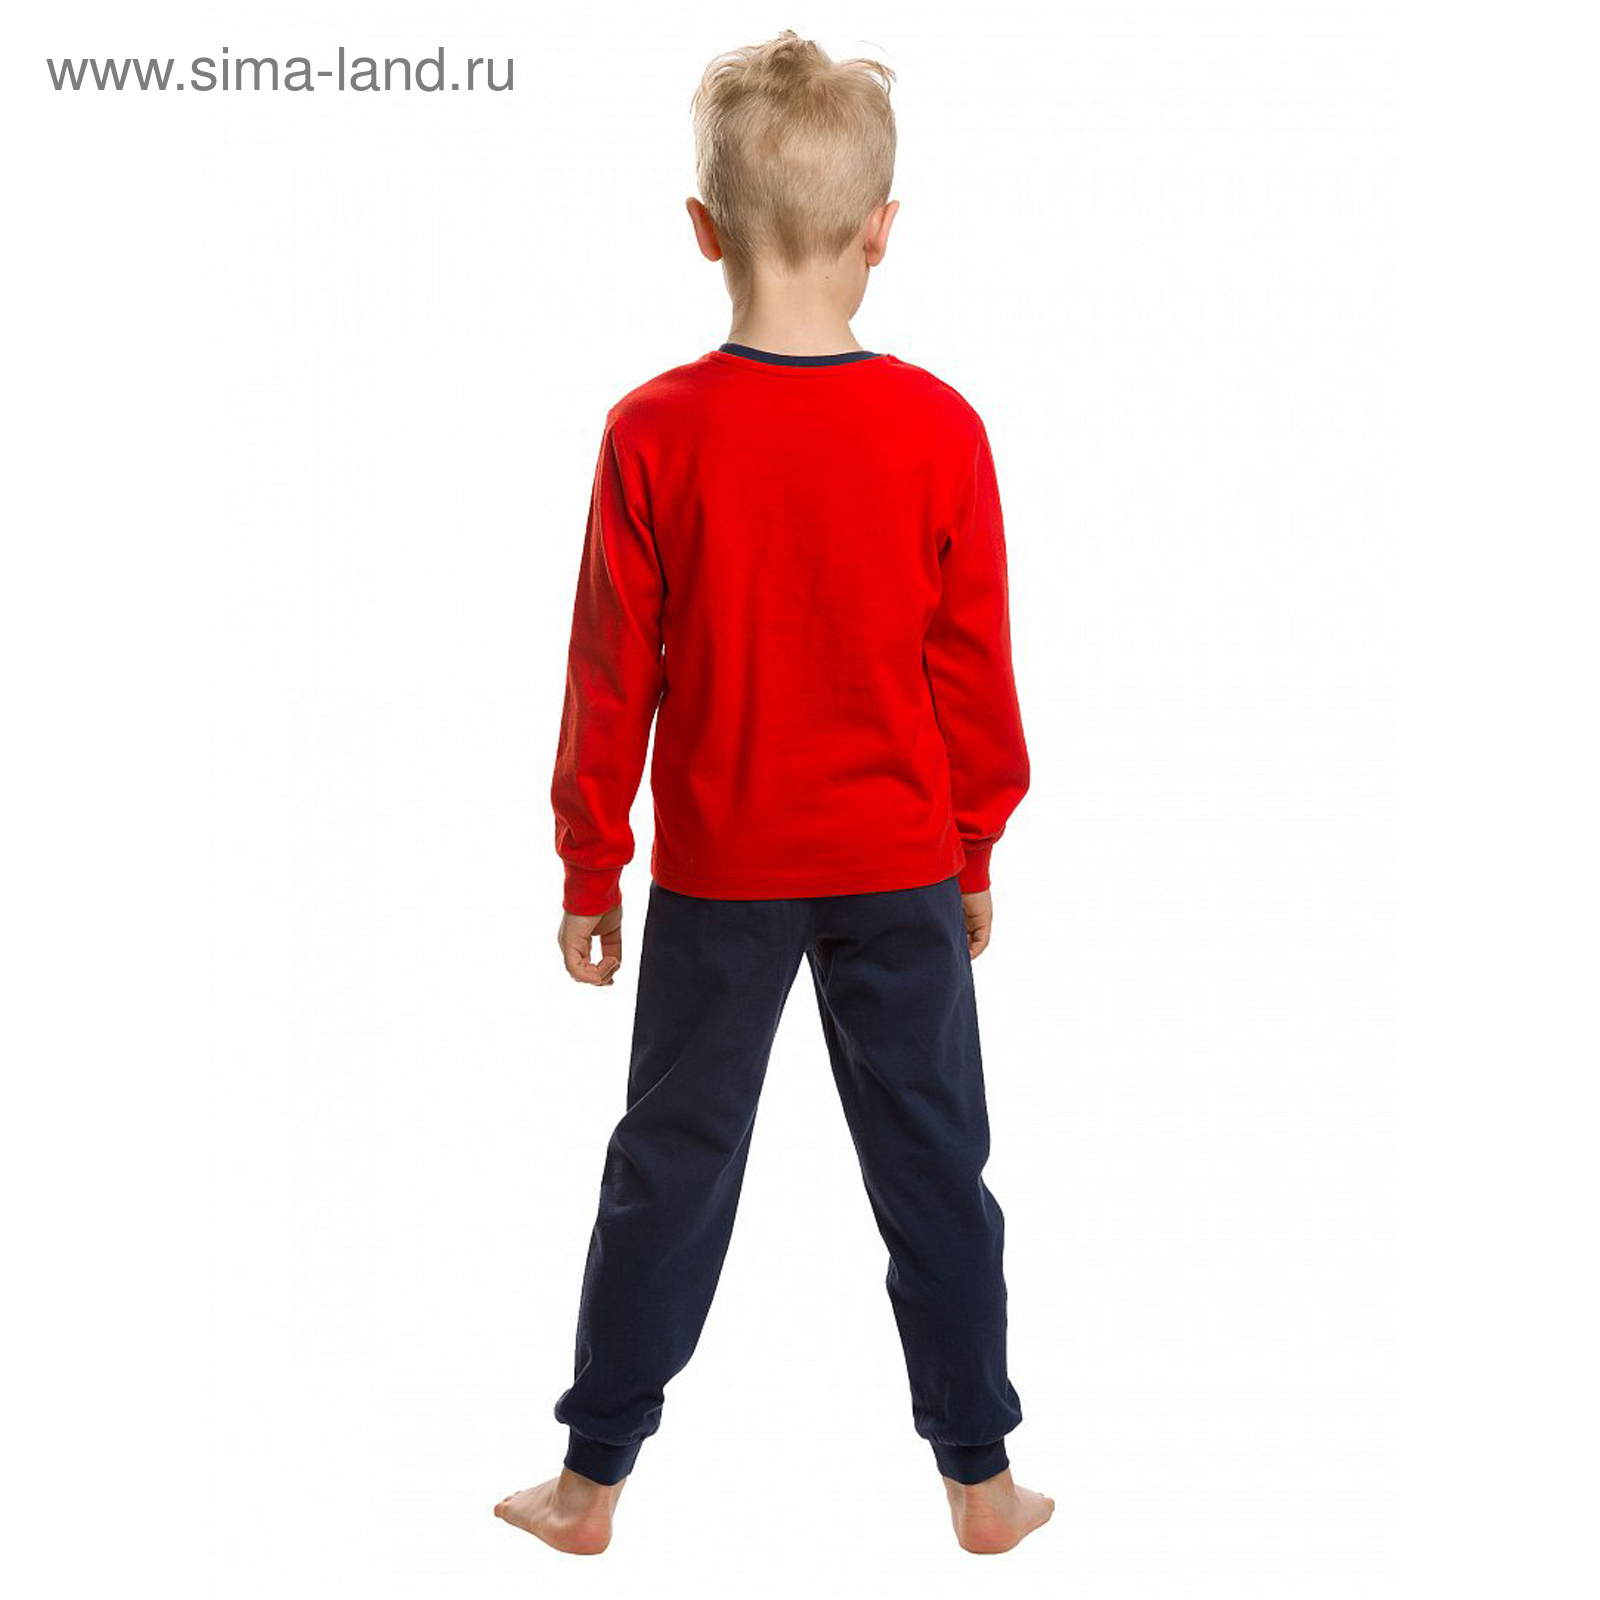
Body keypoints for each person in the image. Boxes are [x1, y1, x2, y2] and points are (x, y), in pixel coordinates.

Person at [494, 30, 1052, 1556]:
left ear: (704, 226)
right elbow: (973, 669)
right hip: (899, 867)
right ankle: (983, 1485)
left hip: (719, 878)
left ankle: (590, 1484)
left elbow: (609, 674)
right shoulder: (939, 428)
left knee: (666, 1168)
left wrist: (590, 866)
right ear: (883, 228)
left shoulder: (653, 431)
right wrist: (973, 846)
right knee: (936, 1170)